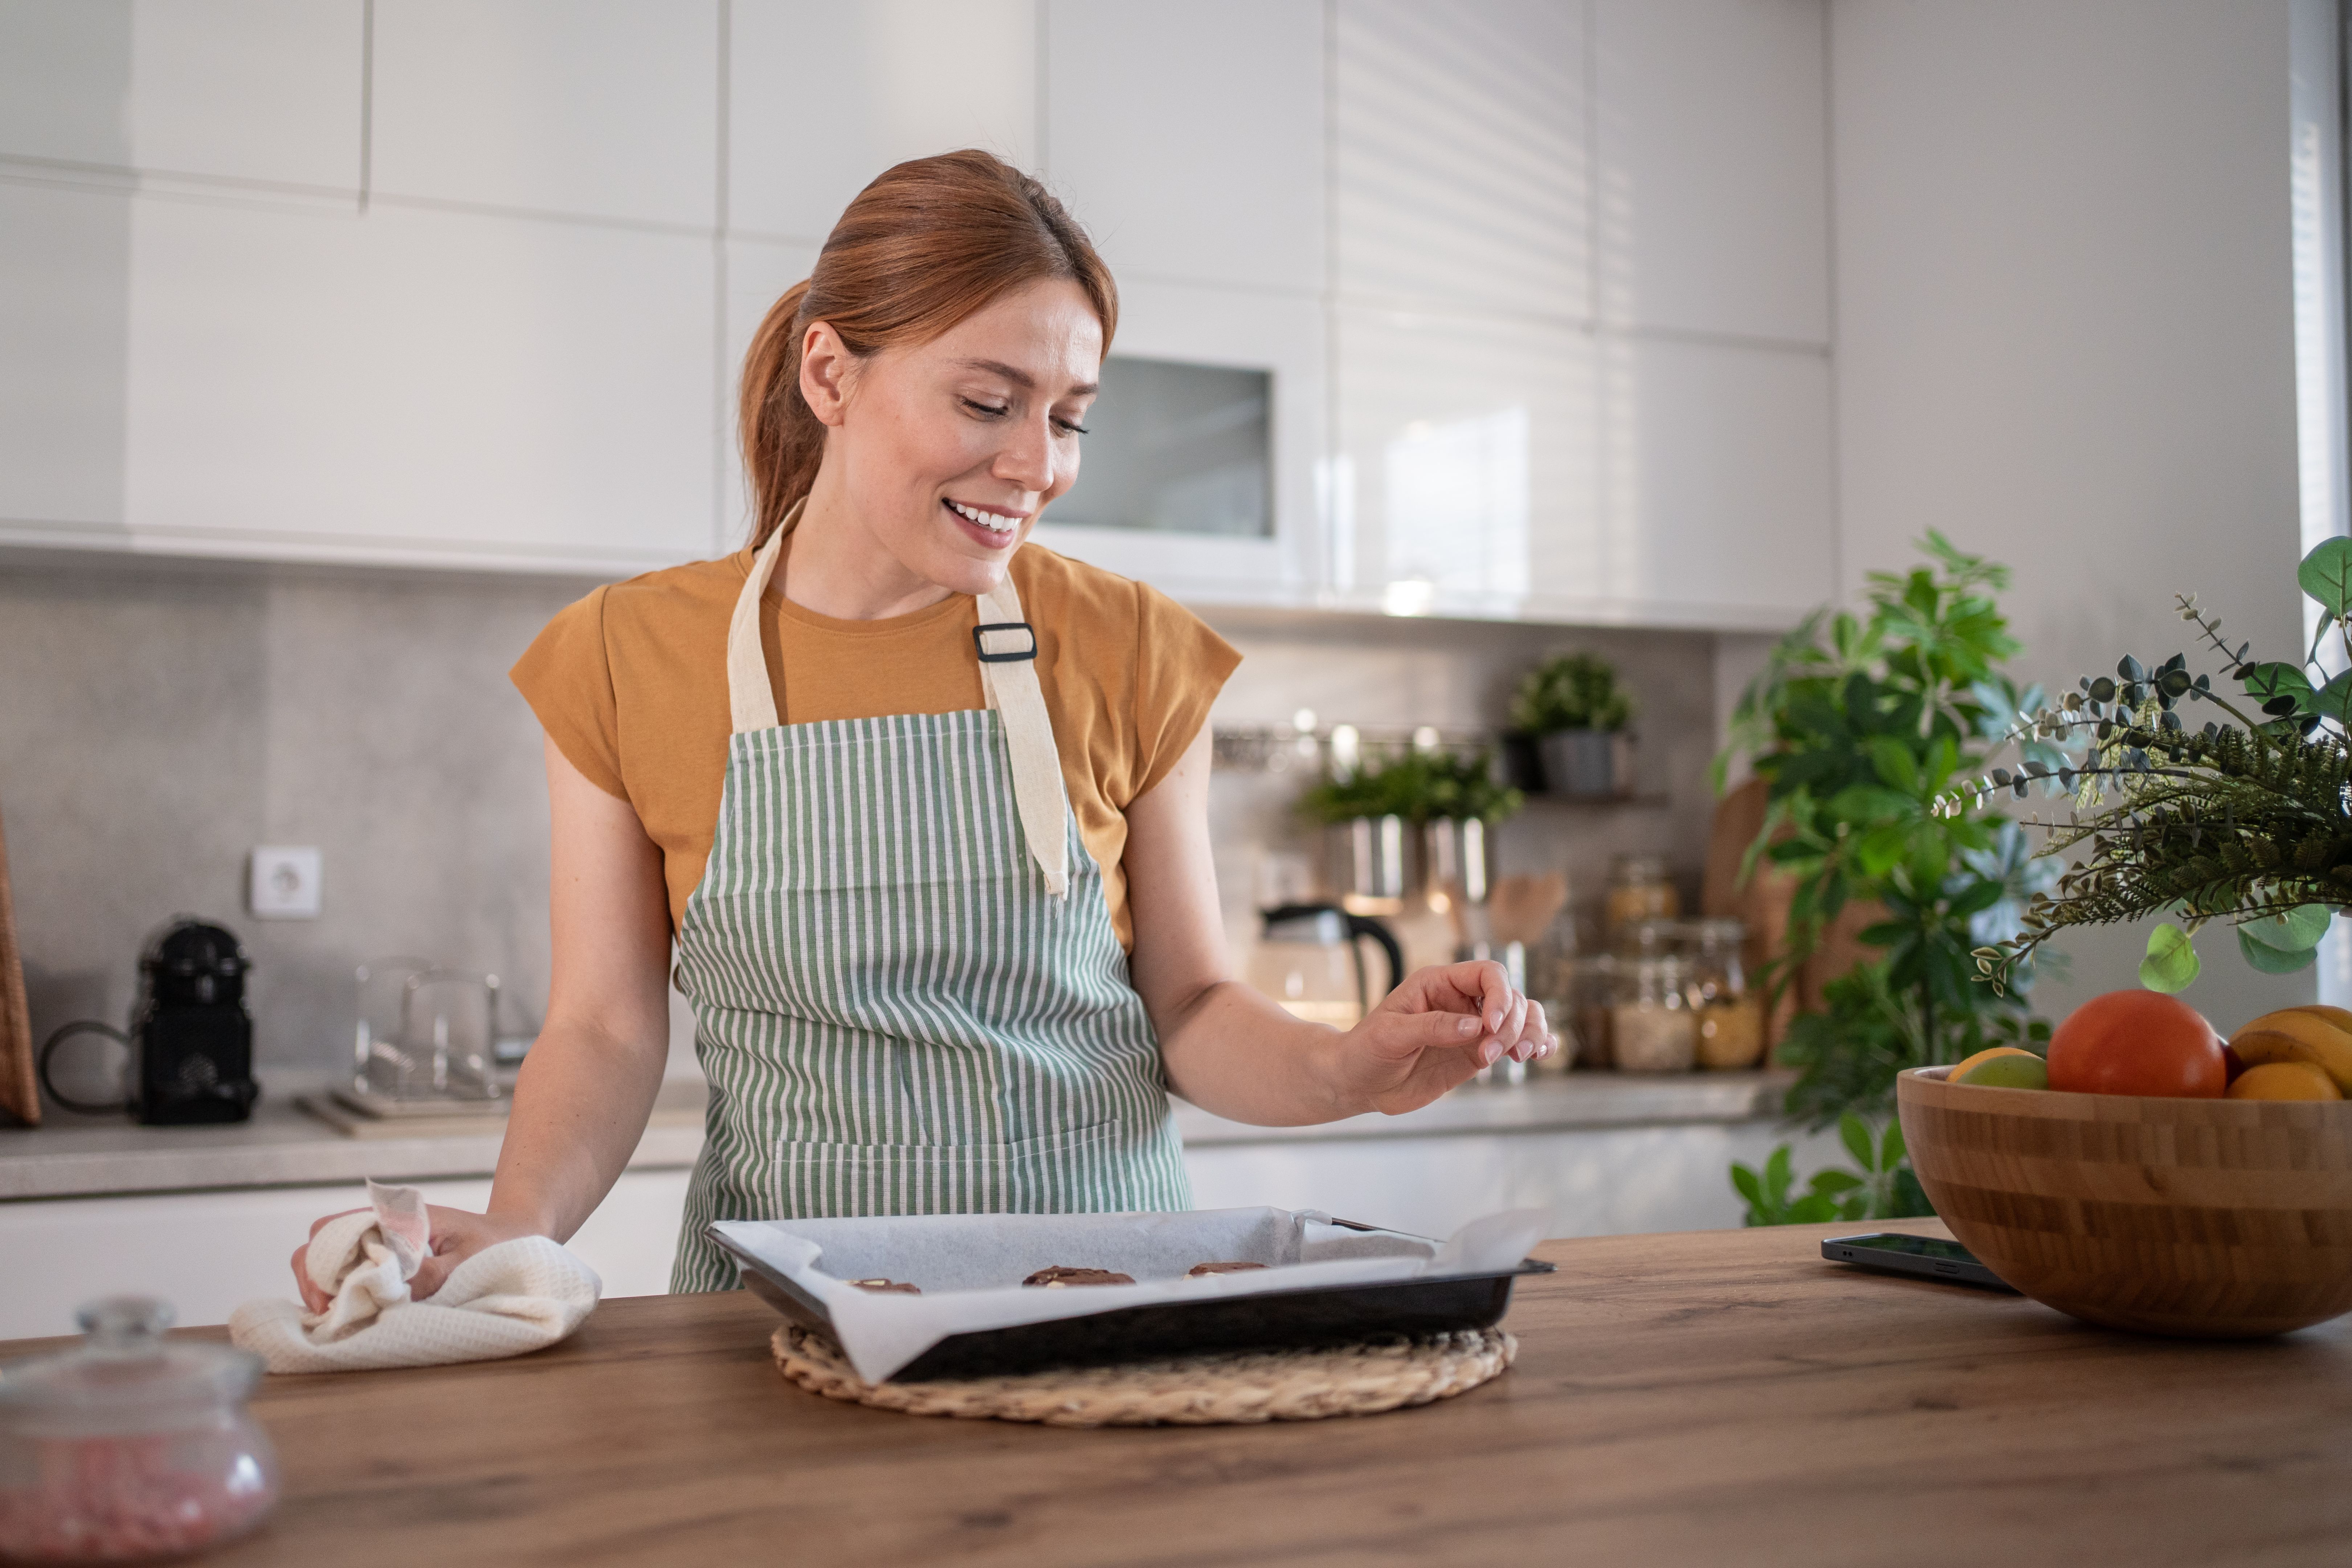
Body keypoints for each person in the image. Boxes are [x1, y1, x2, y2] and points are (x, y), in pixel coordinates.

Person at [294, 150, 1552, 1305]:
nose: (1035, 466)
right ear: (830, 373)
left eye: (1068, 418)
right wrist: (522, 1231)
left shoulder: (1131, 646)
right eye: (989, 401)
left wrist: (1350, 1070)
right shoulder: (628, 656)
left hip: (1100, 1307)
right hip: (787, 1323)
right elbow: (606, 1027)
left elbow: (1195, 1007)